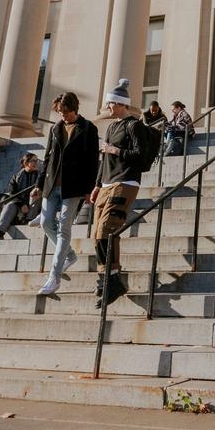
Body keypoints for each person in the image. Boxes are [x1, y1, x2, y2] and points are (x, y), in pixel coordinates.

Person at [36, 92, 99, 298]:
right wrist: (38, 184)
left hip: (73, 188)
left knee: (64, 228)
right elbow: (47, 158)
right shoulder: (55, 128)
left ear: (74, 109)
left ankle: (53, 277)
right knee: (45, 223)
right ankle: (69, 255)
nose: (62, 115)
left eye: (65, 112)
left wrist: (90, 189)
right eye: (59, 112)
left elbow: (92, 163)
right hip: (51, 185)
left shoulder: (88, 128)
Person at [90, 79, 147, 308]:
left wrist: (116, 150)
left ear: (122, 104)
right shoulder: (111, 127)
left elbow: (140, 155)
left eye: (112, 103)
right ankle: (107, 277)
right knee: (97, 235)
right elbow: (104, 159)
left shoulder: (134, 126)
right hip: (105, 184)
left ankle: (114, 279)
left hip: (126, 182)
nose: (109, 108)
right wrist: (96, 184)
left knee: (108, 229)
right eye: (108, 103)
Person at [0, 152, 42, 237]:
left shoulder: (41, 176)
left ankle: (29, 220)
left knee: (36, 195)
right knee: (10, 204)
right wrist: (22, 204)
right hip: (20, 207)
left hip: (35, 207)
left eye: (37, 160)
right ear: (26, 163)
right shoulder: (16, 177)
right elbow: (12, 194)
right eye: (34, 160)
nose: (37, 163)